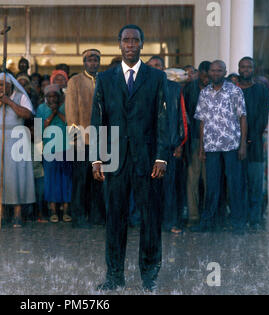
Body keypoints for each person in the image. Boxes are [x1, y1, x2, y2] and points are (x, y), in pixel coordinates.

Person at [91, 25, 169, 292]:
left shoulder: (157, 78)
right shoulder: (105, 78)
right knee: (115, 219)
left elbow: (162, 118)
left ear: (142, 45)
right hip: (114, 159)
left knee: (150, 218)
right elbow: (98, 121)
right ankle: (114, 276)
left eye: (136, 40)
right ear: (119, 44)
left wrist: (161, 157)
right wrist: (97, 159)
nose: (131, 44)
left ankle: (149, 276)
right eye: (126, 40)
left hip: (147, 160)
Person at [192, 60, 247, 234]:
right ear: (209, 72)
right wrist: (201, 147)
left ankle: (238, 223)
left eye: (219, 70)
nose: (215, 73)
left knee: (234, 184)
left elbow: (242, 117)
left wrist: (243, 144)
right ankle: (208, 222)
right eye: (213, 71)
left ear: (225, 72)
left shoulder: (235, 91)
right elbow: (201, 121)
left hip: (231, 145)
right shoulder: (204, 93)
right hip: (211, 146)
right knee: (212, 185)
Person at [0, 72, 35, 228]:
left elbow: (27, 114)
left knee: (16, 175)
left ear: (10, 84)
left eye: (2, 85)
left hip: (16, 138)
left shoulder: (20, 96)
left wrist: (10, 102)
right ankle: (0, 213)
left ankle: (17, 214)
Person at [147, 56, 188, 234]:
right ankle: (150, 223)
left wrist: (180, 143)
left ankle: (170, 222)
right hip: (147, 146)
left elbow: (182, 118)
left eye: (159, 65)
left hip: (169, 147)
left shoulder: (174, 88)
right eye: (152, 66)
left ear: (164, 68)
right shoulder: (142, 88)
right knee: (149, 188)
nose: (156, 68)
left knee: (169, 187)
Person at [65, 48, 105, 227]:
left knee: (99, 180)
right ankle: (79, 217)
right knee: (81, 180)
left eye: (96, 60)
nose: (93, 63)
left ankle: (97, 216)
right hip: (82, 140)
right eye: (90, 60)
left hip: (102, 139)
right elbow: (71, 111)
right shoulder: (75, 81)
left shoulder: (105, 80)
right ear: (84, 62)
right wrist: (74, 141)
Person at [237, 57, 269, 231]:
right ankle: (241, 219)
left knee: (255, 184)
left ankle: (254, 220)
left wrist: (249, 138)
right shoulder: (233, 90)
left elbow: (263, 117)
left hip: (255, 145)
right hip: (235, 145)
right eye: (243, 67)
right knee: (239, 184)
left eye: (249, 66)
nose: (246, 69)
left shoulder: (262, 90)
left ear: (254, 69)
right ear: (238, 69)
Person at [36, 84, 72, 223]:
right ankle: (53, 210)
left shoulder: (65, 107)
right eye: (49, 96)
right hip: (49, 149)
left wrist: (58, 112)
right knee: (51, 181)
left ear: (59, 96)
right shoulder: (41, 109)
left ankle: (66, 210)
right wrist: (52, 114)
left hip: (66, 148)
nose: (52, 99)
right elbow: (41, 128)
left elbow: (70, 124)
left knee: (66, 180)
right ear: (45, 98)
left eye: (54, 96)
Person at [183, 61, 211, 227]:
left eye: (209, 76)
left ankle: (207, 216)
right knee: (192, 179)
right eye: (204, 75)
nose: (206, 79)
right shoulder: (189, 88)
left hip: (212, 142)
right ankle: (193, 216)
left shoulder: (217, 89)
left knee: (209, 180)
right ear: (199, 73)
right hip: (193, 139)